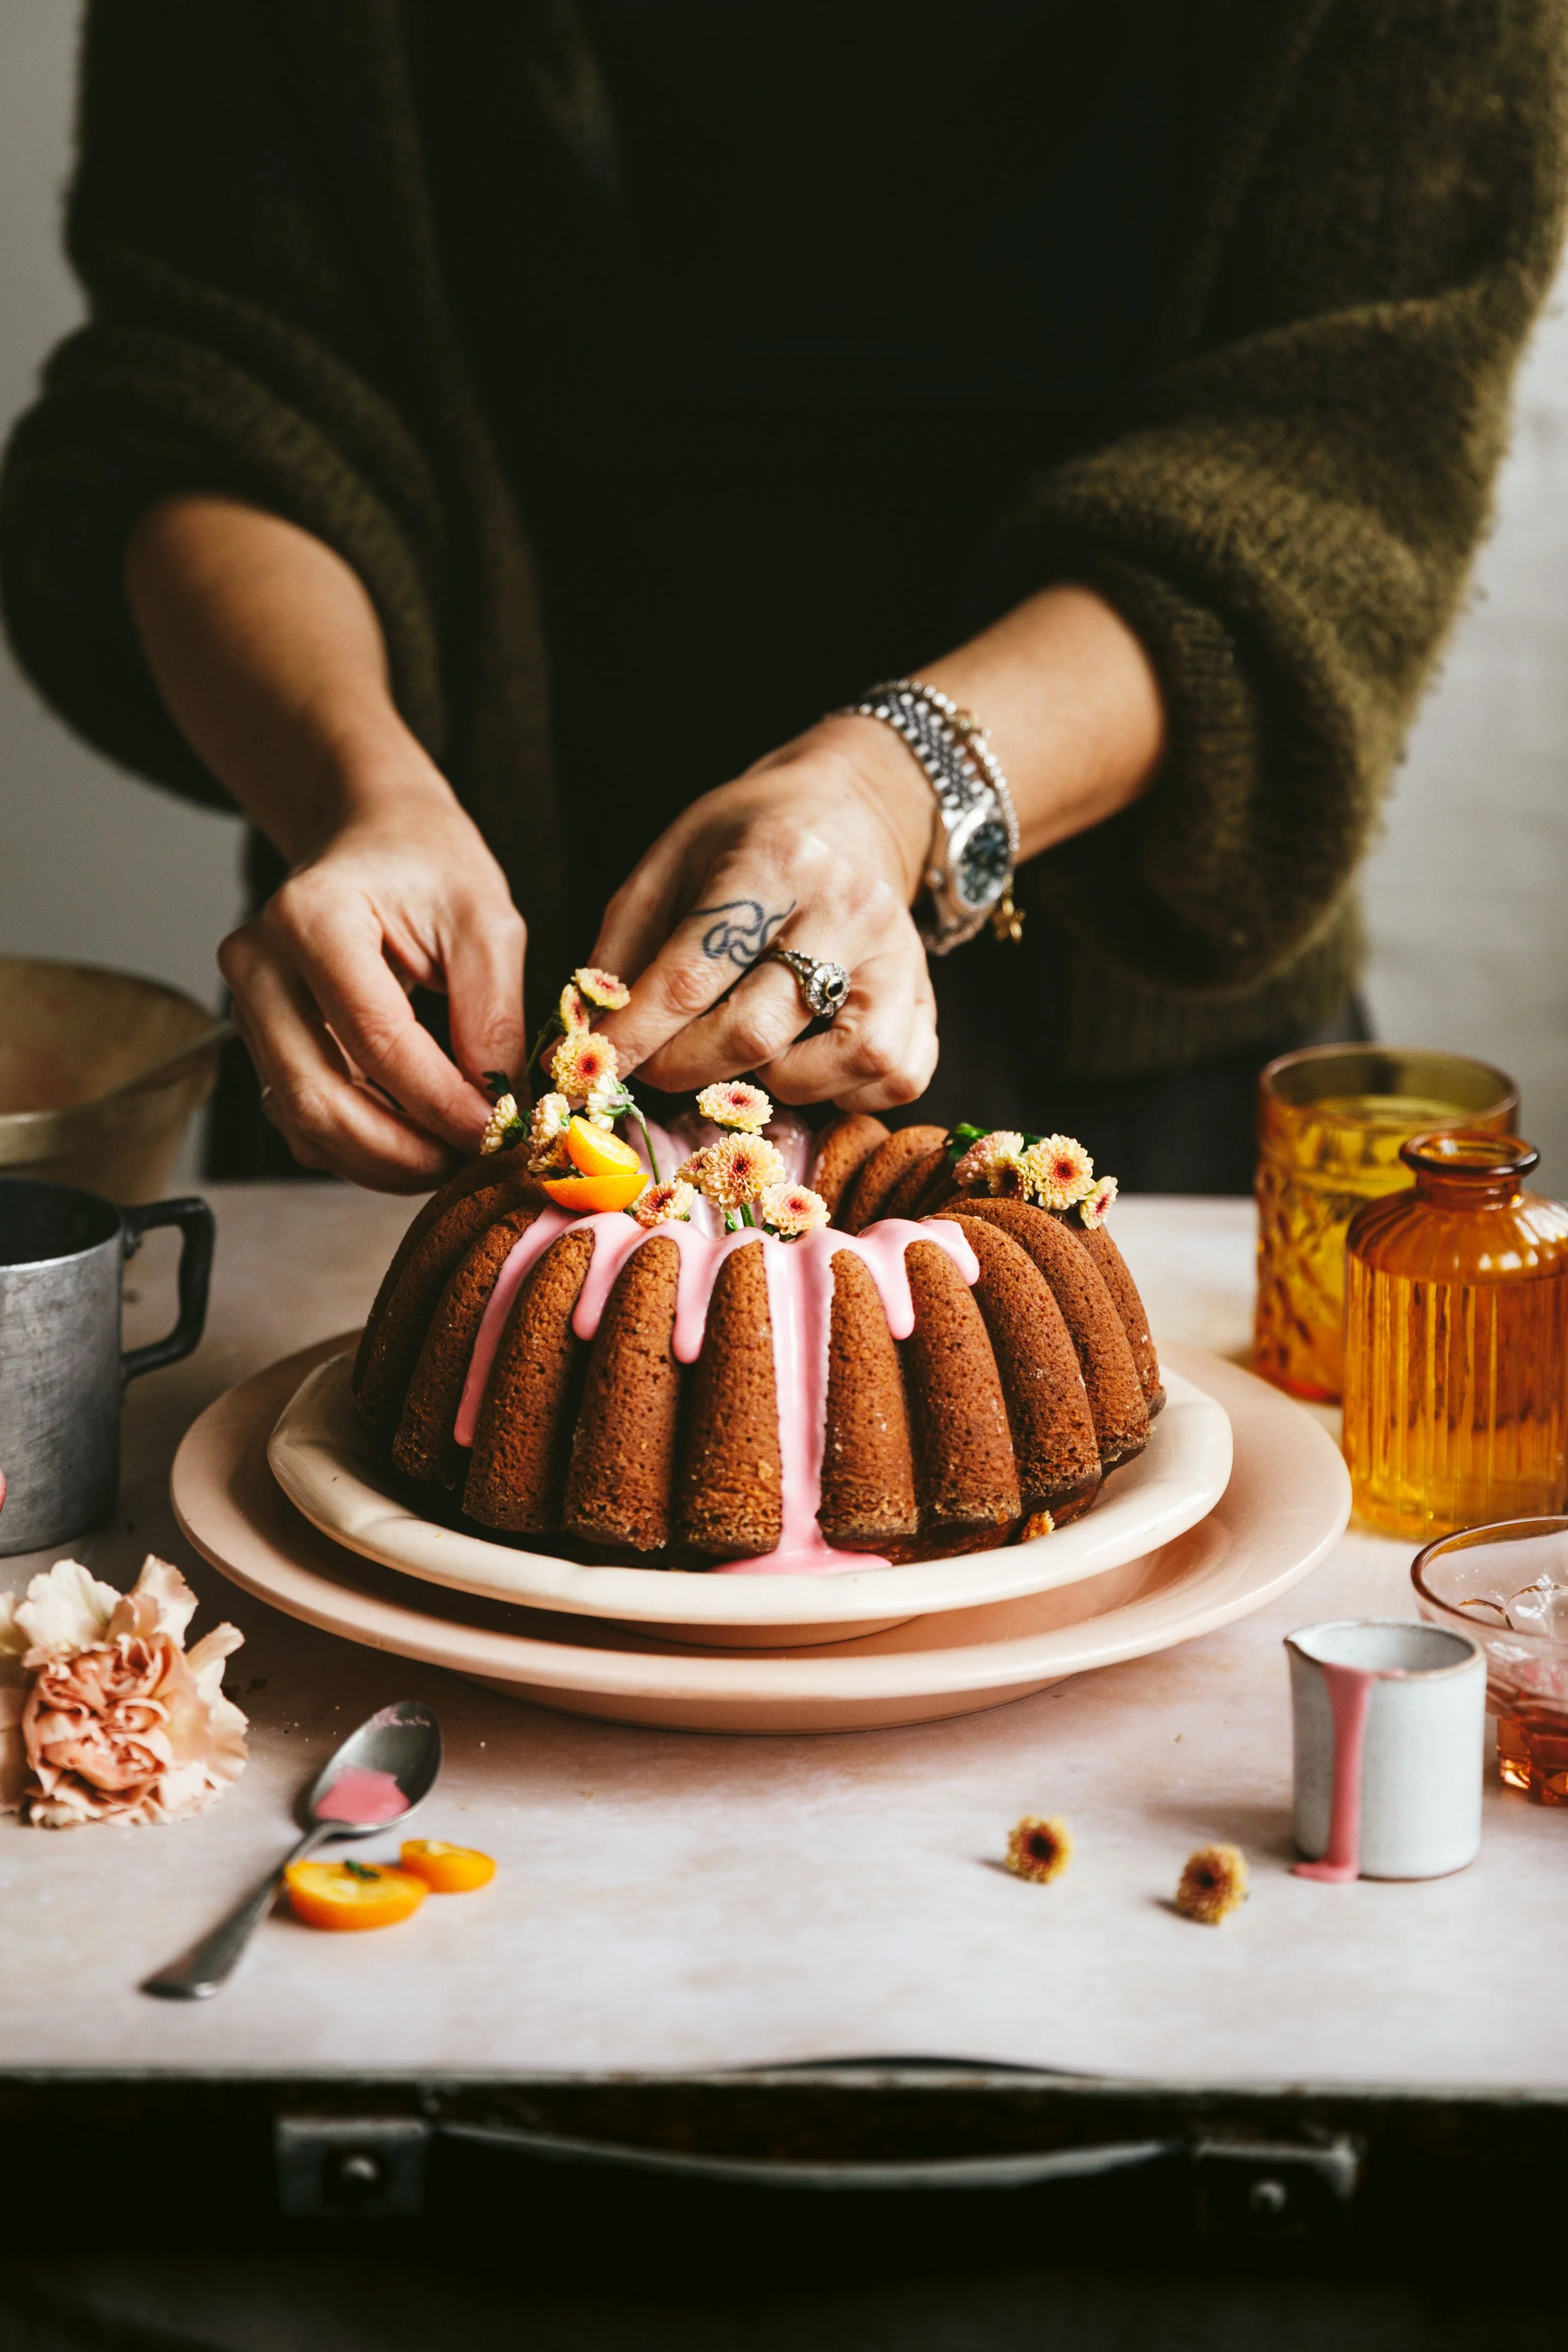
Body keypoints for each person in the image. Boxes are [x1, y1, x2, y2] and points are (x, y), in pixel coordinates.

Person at [3, 1, 1564, 1194]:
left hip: (1123, 1017)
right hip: (431, 1028)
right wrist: (353, 792)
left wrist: (897, 796)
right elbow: (211, 381)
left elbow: (1347, 457)